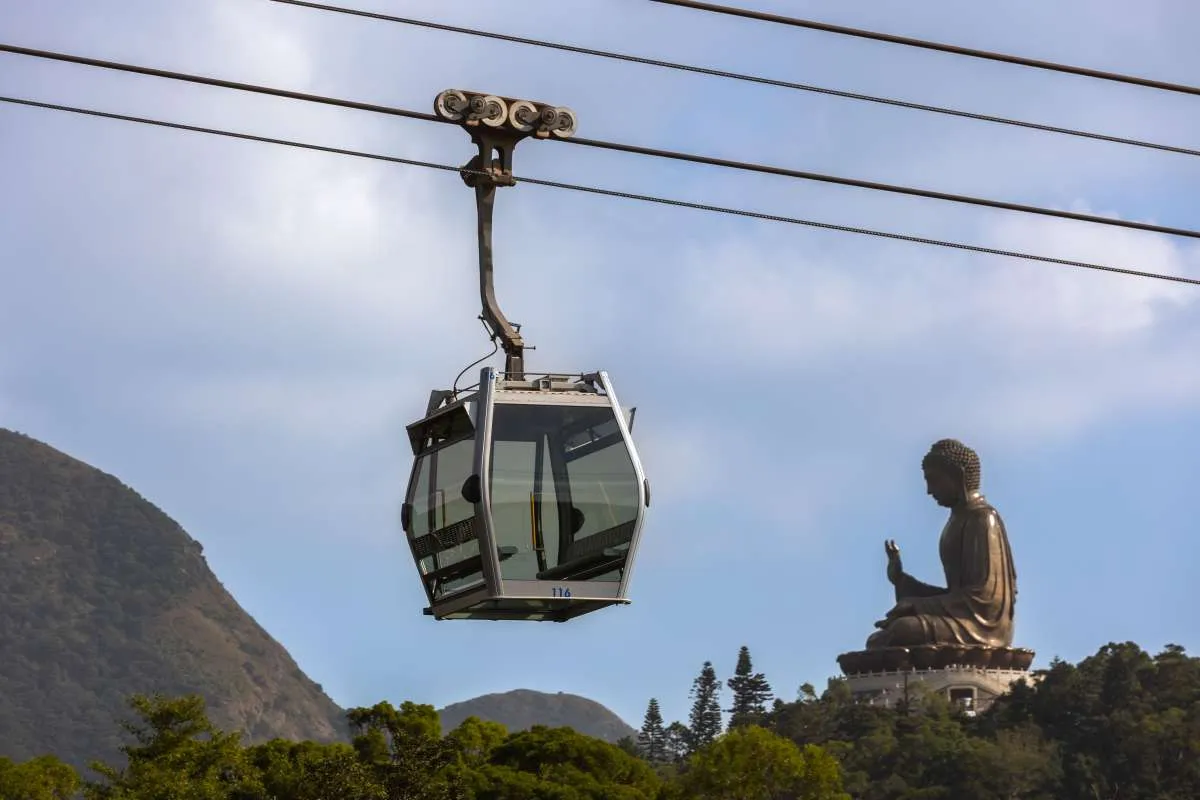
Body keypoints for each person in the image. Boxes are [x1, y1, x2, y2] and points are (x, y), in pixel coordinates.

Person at [866, 439, 1017, 649]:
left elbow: (985, 601)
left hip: (981, 629)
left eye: (934, 481)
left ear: (957, 476)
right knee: (880, 639)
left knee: (902, 630)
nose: (929, 490)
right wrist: (902, 581)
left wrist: (917, 605)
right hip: (959, 619)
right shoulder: (957, 519)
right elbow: (954, 594)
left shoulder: (982, 518)